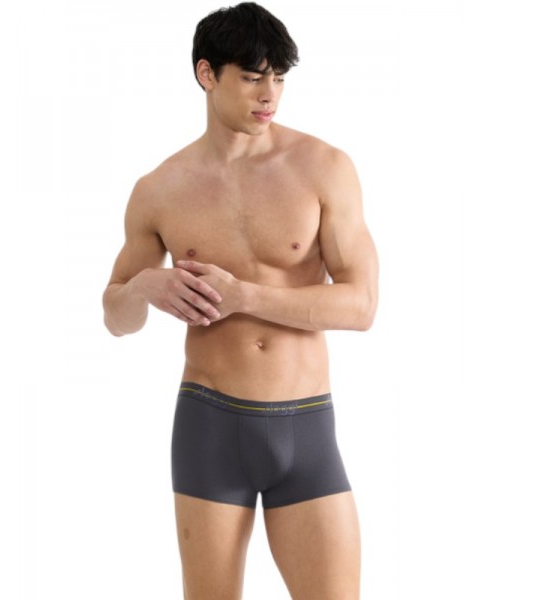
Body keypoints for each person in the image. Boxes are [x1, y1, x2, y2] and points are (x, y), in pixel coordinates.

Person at [102, 3, 378, 598]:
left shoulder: (324, 168)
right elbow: (115, 317)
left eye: (278, 77)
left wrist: (244, 296)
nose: (269, 94)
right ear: (207, 74)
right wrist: (144, 287)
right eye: (253, 78)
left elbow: (361, 306)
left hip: (306, 424)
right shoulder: (159, 189)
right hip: (209, 425)